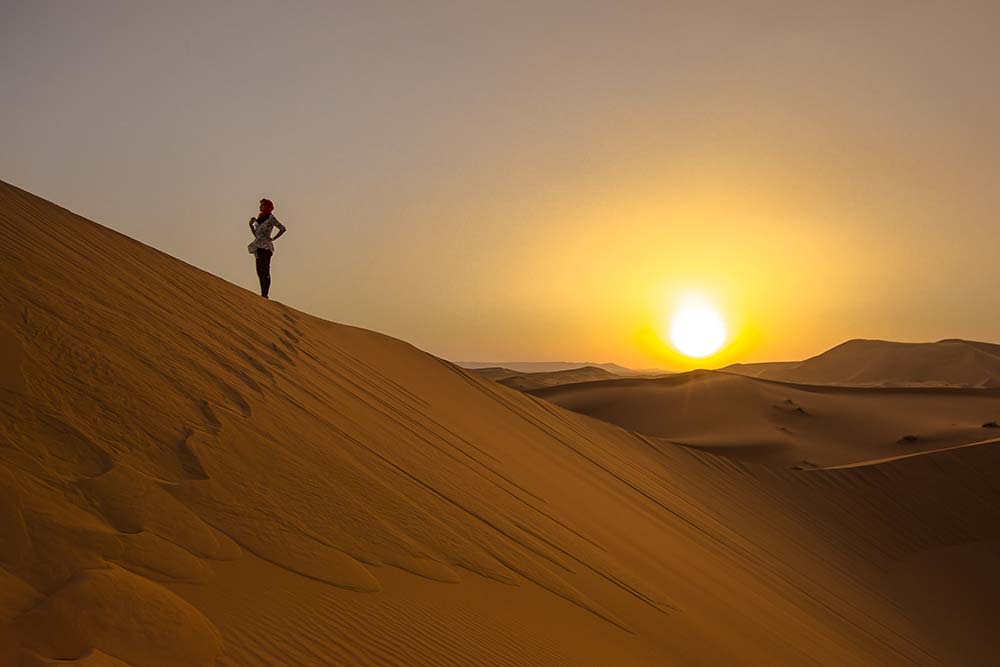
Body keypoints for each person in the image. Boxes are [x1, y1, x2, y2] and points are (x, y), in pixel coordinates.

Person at [247, 198, 286, 298]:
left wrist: (273, 238)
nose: (260, 206)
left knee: (265, 270)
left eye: (263, 205)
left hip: (266, 248)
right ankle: (263, 294)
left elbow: (282, 228)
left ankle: (265, 294)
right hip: (258, 247)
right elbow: (257, 235)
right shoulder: (259, 219)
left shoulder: (270, 217)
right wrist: (250, 225)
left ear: (267, 207)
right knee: (259, 270)